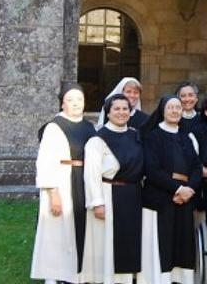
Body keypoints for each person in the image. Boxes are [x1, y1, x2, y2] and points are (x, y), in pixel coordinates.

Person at [31, 83, 96, 284]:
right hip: (62, 182)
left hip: (83, 181)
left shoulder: (89, 126)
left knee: (80, 230)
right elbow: (45, 161)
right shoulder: (54, 127)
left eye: (79, 99)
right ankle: (54, 277)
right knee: (58, 231)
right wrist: (53, 193)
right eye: (71, 100)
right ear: (62, 104)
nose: (76, 103)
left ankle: (77, 275)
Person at [138, 95, 203, 284]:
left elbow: (196, 167)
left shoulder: (186, 137)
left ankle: (180, 280)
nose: (175, 111)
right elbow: (152, 170)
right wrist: (177, 190)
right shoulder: (153, 136)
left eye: (178, 108)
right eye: (170, 108)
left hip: (184, 199)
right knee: (163, 243)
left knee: (182, 243)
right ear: (162, 111)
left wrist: (189, 189)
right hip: (160, 197)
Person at [83, 94, 145, 284]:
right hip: (108, 194)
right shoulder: (98, 139)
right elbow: (91, 173)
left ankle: (126, 280)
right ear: (108, 113)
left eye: (125, 109)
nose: (121, 112)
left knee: (129, 241)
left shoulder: (136, 135)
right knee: (108, 242)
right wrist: (97, 203)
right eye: (116, 109)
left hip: (132, 195)